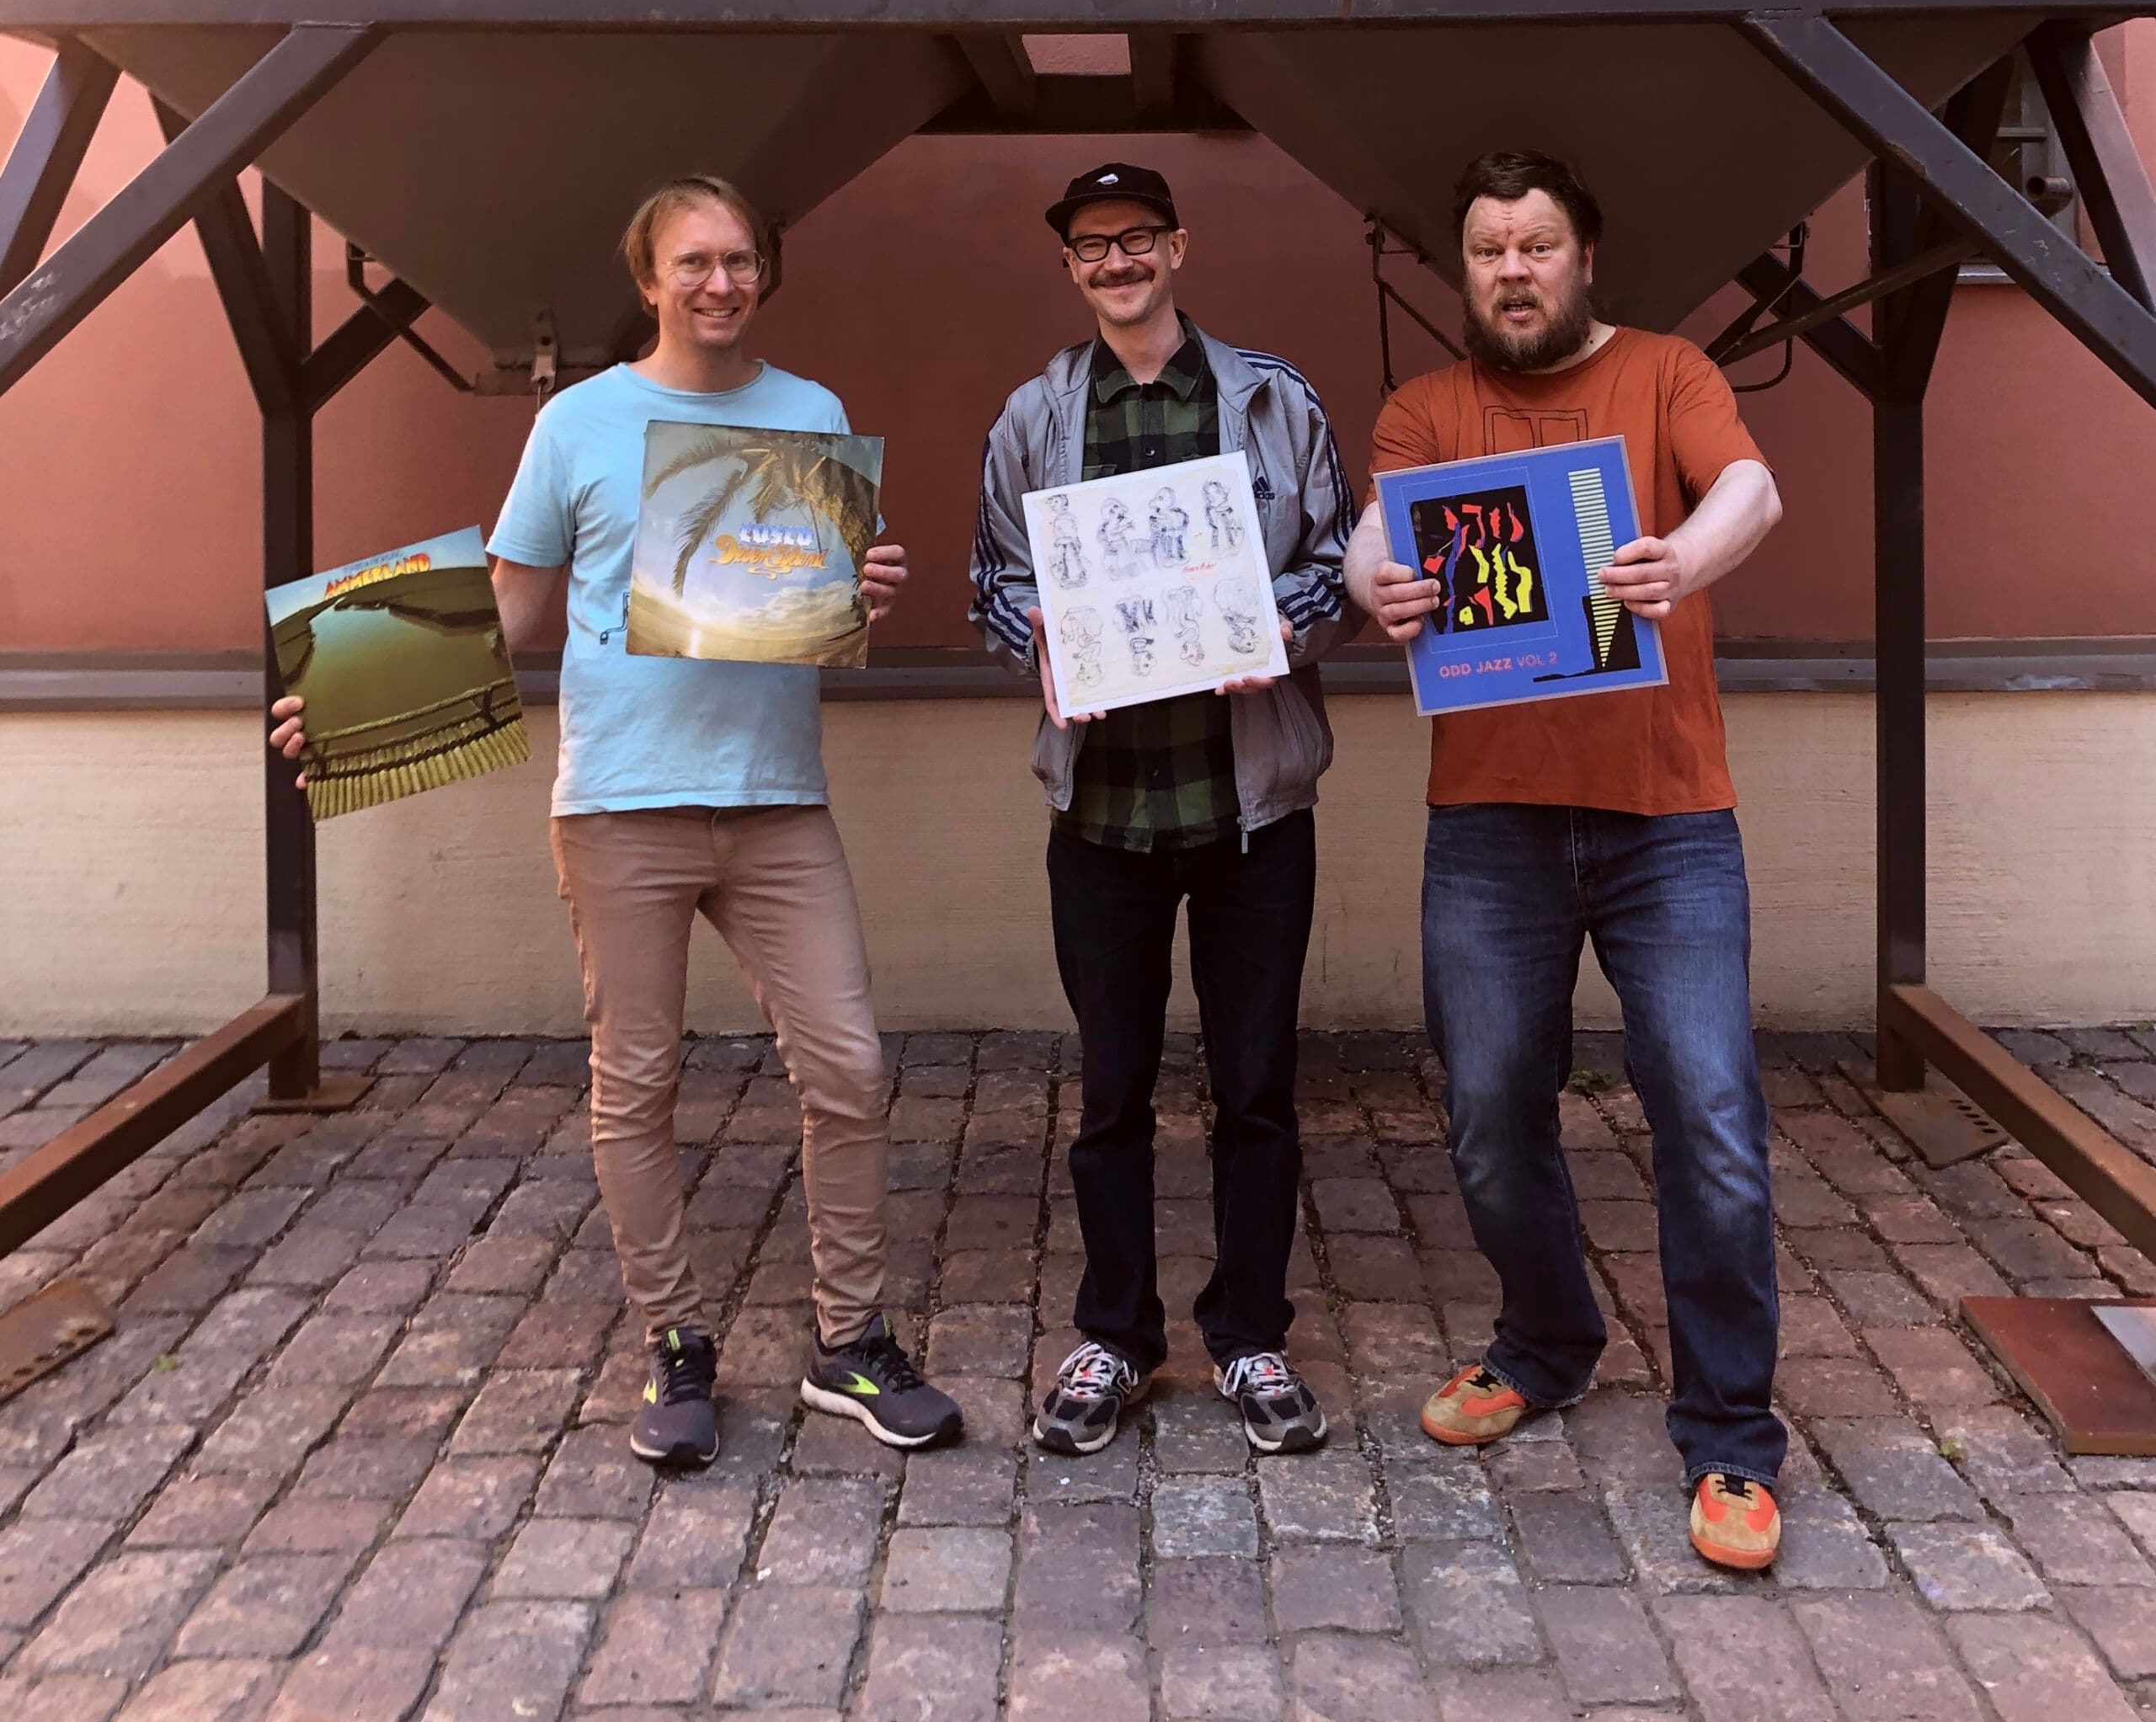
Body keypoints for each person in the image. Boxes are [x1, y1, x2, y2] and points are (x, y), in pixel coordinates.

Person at [270, 173, 961, 1467]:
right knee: (635, 1086)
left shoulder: (810, 416)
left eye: (739, 259)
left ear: (763, 273)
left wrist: (861, 591)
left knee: (851, 1067)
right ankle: (676, 1343)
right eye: (693, 262)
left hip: (776, 802)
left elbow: (811, 606)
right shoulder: (578, 423)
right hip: (620, 803)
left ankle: (851, 1342)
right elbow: (511, 606)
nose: (720, 283)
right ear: (648, 281)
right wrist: (354, 701)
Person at [1344, 148, 1788, 1573]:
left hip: (1668, 823)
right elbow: (1375, 535)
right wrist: (1377, 584)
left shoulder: (1668, 372)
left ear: (1582, 258)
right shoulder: (1425, 407)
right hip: (1492, 825)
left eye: (1536, 246)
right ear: (1464, 268)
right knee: (1487, 1109)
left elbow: (1752, 491)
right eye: (1488, 250)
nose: (1512, 271)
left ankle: (1731, 1432)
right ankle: (1546, 1341)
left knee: (1708, 1117)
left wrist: (1685, 560)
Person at [971, 161, 1357, 1457]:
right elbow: (993, 584)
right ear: (1071, 267)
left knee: (1257, 1090)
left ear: (1178, 247)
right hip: (1104, 815)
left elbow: (1338, 567)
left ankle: (1250, 1336)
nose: (1117, 261)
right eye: (1092, 246)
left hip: (1252, 809)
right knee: (1111, 1095)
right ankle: (1117, 1335)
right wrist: (1035, 638)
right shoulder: (1032, 417)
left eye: (1137, 237)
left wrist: (1272, 628)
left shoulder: (1274, 400)